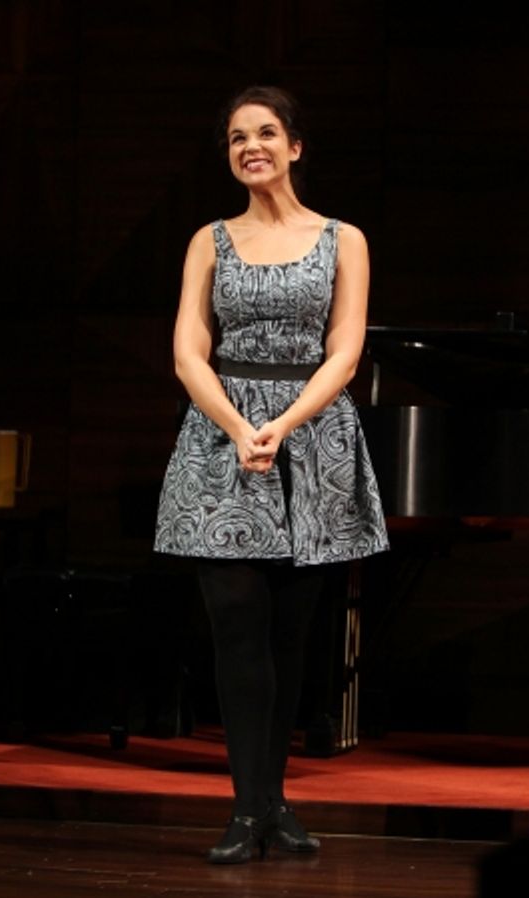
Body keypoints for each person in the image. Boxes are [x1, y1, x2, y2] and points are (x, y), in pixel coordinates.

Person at [154, 85, 388, 863]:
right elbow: (190, 348)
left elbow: (345, 350)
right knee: (235, 629)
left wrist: (284, 426)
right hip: (223, 439)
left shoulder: (341, 238)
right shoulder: (208, 239)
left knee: (291, 638)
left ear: (295, 146)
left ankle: (274, 802)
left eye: (264, 133)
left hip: (313, 439)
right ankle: (244, 808)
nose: (249, 145)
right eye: (235, 138)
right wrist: (238, 426)